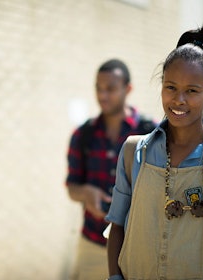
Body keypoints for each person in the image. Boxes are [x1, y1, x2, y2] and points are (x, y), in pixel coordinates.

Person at [106, 21, 203, 280]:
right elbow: (117, 226)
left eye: (192, 91)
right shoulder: (135, 153)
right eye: (171, 87)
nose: (179, 100)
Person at [66, 59, 156, 280]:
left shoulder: (151, 133)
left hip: (138, 249)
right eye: (98, 88)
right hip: (92, 245)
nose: (102, 95)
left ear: (128, 89)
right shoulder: (82, 134)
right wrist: (86, 193)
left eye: (111, 89)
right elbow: (71, 186)